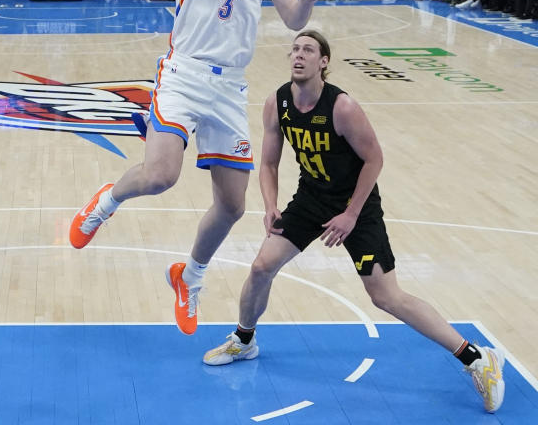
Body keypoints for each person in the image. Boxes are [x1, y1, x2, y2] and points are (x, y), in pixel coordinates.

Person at [69, 0, 329, 336]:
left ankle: (190, 276)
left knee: (233, 205)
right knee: (161, 174)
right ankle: (105, 202)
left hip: (230, 87)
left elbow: (294, 17)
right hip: (185, 73)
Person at [201, 30, 506, 414]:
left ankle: (477, 359)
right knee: (262, 265)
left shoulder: (342, 107)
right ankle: (244, 340)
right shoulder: (276, 102)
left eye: (308, 50)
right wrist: (270, 204)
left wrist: (350, 214)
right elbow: (268, 163)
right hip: (311, 199)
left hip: (355, 205)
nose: (298, 55)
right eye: (294, 49)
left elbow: (375, 159)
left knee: (385, 297)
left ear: (323, 61)